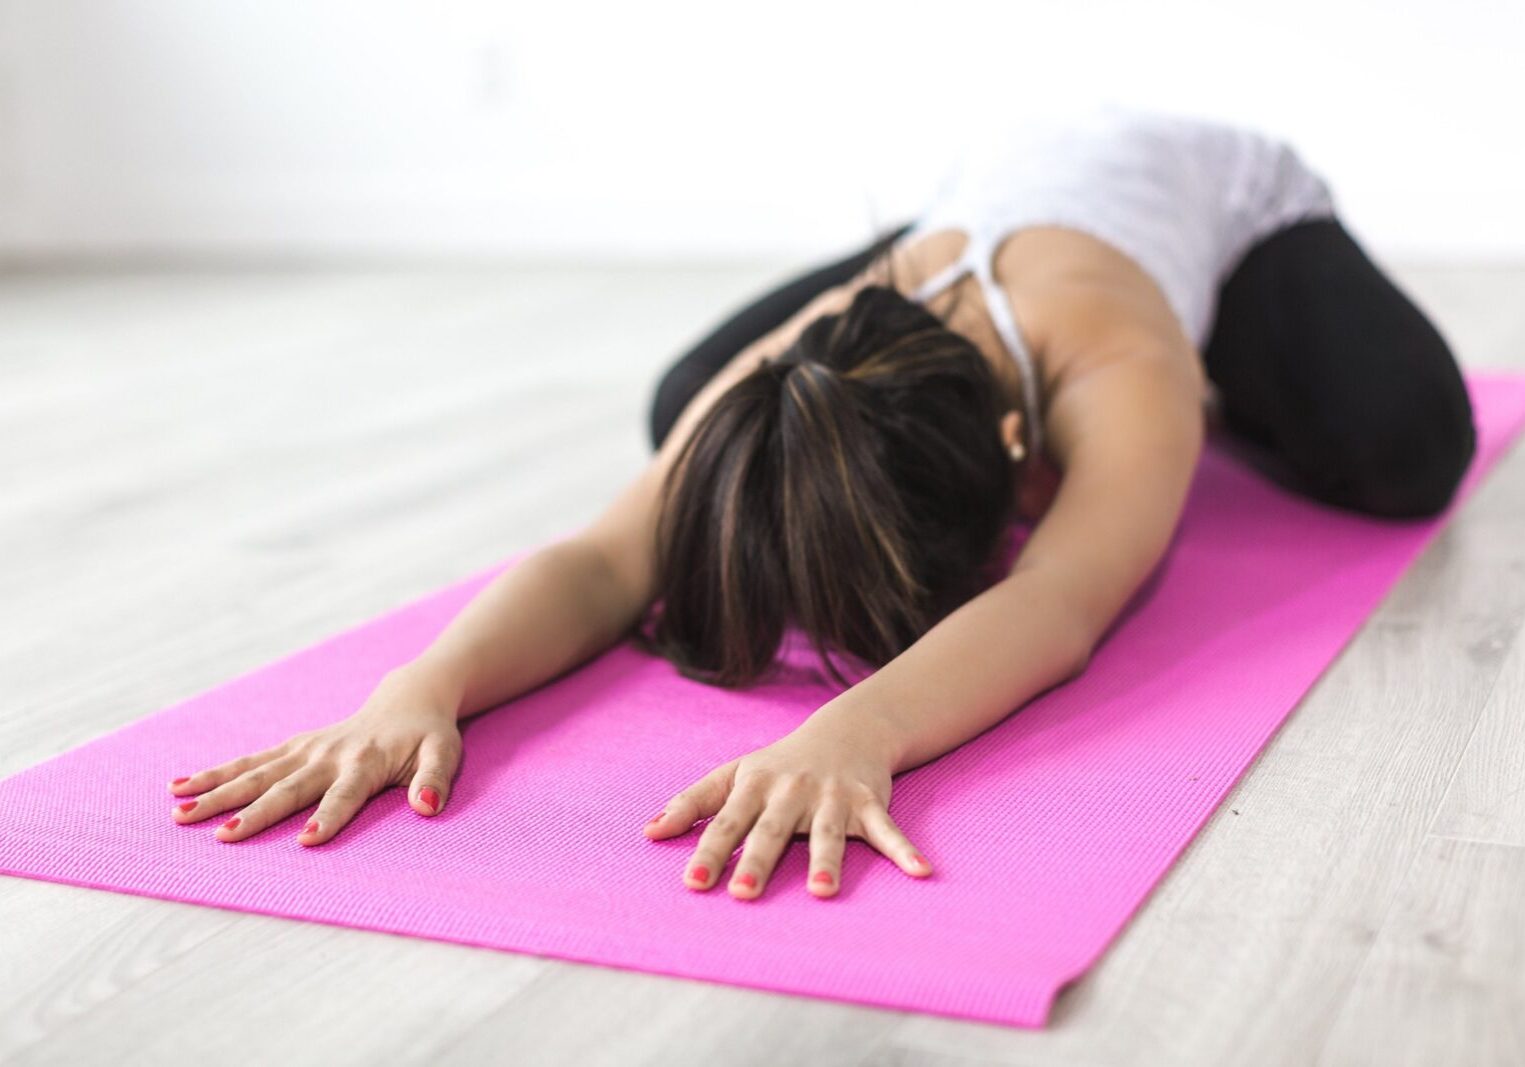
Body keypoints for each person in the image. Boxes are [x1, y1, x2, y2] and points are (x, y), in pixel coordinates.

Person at [167, 106, 1476, 901]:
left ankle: (1237, 385)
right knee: (692, 415)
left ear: (1019, 455)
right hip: (977, 208)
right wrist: (420, 688)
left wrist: (855, 732)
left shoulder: (1122, 366)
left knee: (1409, 452)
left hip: (1222, 207)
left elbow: (1062, 601)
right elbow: (605, 560)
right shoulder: (820, 345)